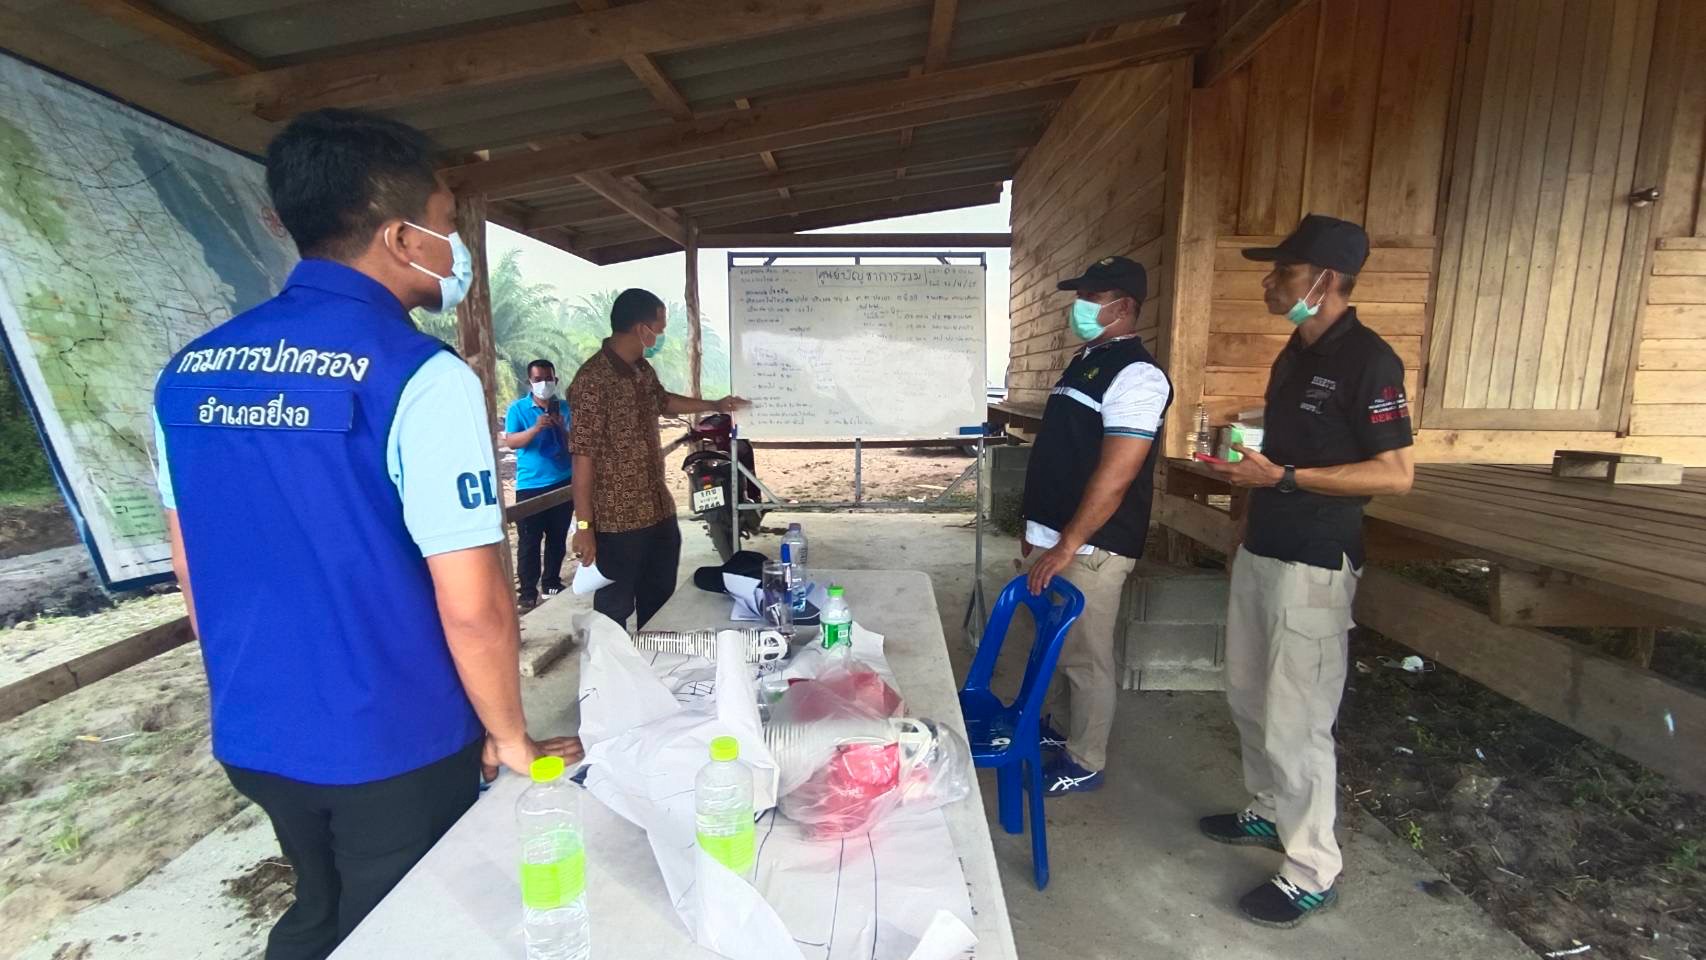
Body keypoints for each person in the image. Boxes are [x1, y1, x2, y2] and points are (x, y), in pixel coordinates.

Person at [151, 108, 581, 960]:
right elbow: (474, 604)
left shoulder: (187, 371)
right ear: (400, 237)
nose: (453, 250)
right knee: (401, 928)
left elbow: (192, 573)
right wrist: (508, 735)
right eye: (447, 225)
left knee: (319, 909)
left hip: (257, 732)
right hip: (392, 741)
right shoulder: (419, 376)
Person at [1200, 214, 1414, 929]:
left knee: (1298, 721)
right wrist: (1247, 510)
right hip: (1265, 547)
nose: (1269, 282)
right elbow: (1279, 461)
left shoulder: (1371, 361)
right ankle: (1267, 810)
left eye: (1283, 272)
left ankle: (1311, 870)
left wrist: (1286, 478)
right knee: (1248, 695)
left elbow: (1396, 473)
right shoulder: (1295, 352)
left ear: (1324, 281)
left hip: (1315, 561)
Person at [1019, 255, 1172, 796]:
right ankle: (1062, 731)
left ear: (1123, 306)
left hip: (1092, 547)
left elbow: (1117, 473)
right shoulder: (1088, 360)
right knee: (1058, 646)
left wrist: (1068, 543)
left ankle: (1085, 758)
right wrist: (1038, 532)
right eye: (1080, 296)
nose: (1080, 306)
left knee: (1086, 656)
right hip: (1058, 538)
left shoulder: (1137, 374)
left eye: (1092, 297)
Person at [568, 288, 749, 629]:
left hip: (657, 510)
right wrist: (585, 527)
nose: (661, 336)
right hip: (617, 521)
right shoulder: (592, 381)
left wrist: (714, 404)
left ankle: (652, 657)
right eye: (660, 328)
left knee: (660, 604)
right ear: (642, 329)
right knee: (614, 611)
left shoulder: (641, 369)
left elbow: (662, 401)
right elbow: (582, 458)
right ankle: (611, 663)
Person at [503, 359, 573, 609]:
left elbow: (576, 444)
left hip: (563, 482)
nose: (544, 384)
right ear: (529, 382)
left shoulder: (566, 408)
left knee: (557, 537)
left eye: (548, 379)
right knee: (529, 540)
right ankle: (527, 592)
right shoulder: (518, 409)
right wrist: (536, 429)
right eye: (538, 379)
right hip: (530, 485)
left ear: (556, 380)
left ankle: (551, 583)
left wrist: (561, 428)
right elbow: (512, 442)